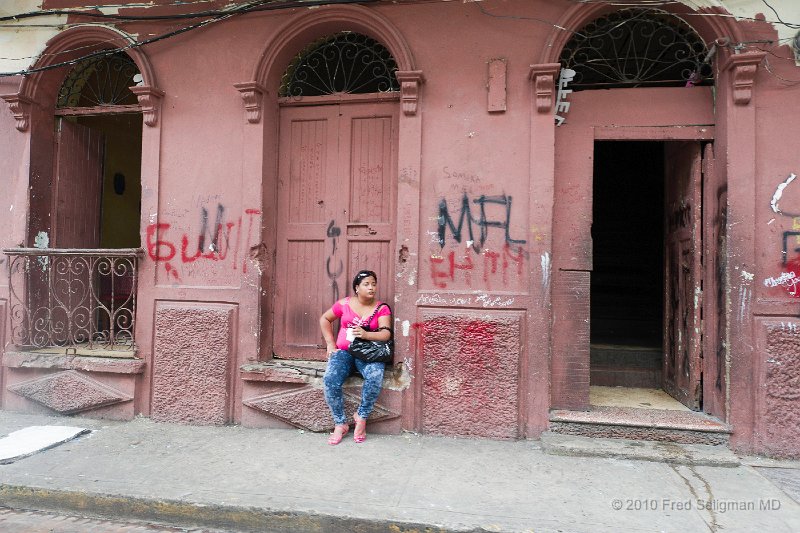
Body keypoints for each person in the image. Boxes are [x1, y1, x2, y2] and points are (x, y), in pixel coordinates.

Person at [319, 270, 392, 445]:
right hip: (343, 353)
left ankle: (361, 416)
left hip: (368, 354)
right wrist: (330, 343)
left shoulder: (382, 308)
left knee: (374, 377)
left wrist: (366, 335)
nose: (371, 288)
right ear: (357, 288)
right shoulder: (343, 304)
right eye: (366, 284)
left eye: (374, 284)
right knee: (330, 379)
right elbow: (325, 319)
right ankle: (340, 423)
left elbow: (386, 335)